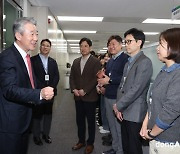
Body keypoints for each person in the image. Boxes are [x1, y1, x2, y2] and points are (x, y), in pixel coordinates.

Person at [0, 17, 54, 154]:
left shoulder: (25, 57)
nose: (36, 38)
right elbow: (9, 90)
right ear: (18, 35)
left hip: (24, 119)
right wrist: (39, 94)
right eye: (32, 34)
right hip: (11, 124)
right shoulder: (7, 57)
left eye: (36, 33)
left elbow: (31, 82)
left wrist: (42, 89)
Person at [140, 28, 180, 154]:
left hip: (168, 141)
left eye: (161, 44)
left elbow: (170, 112)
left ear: (174, 47)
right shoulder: (164, 71)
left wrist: (152, 134)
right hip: (156, 135)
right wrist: (145, 124)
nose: (157, 48)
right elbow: (152, 102)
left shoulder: (177, 75)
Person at [113, 28, 153, 154]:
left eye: (129, 41)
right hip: (125, 110)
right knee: (126, 145)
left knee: (133, 147)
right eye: (125, 42)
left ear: (139, 42)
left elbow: (136, 89)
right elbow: (122, 86)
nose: (126, 45)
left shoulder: (145, 62)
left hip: (135, 112)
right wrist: (119, 106)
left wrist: (118, 105)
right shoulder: (129, 61)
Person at [98, 35, 129, 154]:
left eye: (114, 44)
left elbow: (125, 78)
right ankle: (115, 148)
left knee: (118, 127)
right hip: (108, 96)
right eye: (109, 44)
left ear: (121, 45)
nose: (111, 46)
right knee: (112, 126)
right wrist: (102, 84)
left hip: (118, 98)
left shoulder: (125, 59)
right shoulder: (110, 61)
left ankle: (120, 151)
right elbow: (106, 76)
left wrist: (110, 80)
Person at [70, 37, 101, 154]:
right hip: (78, 97)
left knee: (90, 121)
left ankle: (90, 143)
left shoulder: (95, 61)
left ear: (90, 47)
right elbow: (72, 77)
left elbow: (95, 78)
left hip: (90, 97)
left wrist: (85, 90)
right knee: (79, 121)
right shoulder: (76, 61)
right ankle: (81, 141)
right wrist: (74, 89)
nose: (83, 48)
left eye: (85, 46)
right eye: (81, 46)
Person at [31, 39, 60, 145]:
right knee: (37, 115)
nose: (45, 47)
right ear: (40, 47)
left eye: (48, 46)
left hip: (50, 93)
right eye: (43, 45)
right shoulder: (33, 60)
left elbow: (56, 76)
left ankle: (46, 135)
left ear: (50, 48)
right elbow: (32, 76)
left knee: (48, 114)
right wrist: (43, 89)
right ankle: (36, 136)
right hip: (38, 92)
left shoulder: (53, 61)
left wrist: (51, 88)